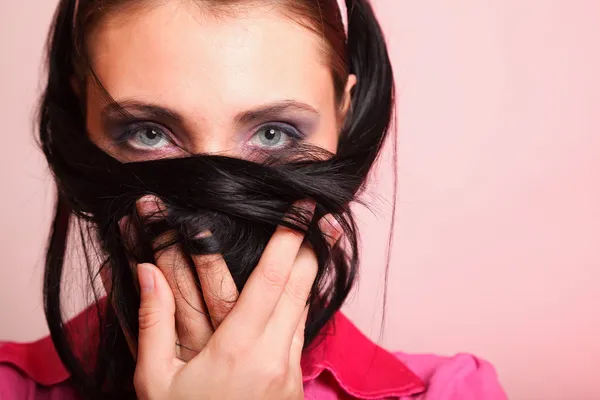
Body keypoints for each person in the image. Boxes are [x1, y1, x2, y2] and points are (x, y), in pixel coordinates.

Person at [0, 0, 508, 399]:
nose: (213, 200)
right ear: (81, 129)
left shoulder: (451, 392)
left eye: (273, 134)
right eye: (148, 133)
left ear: (345, 118)